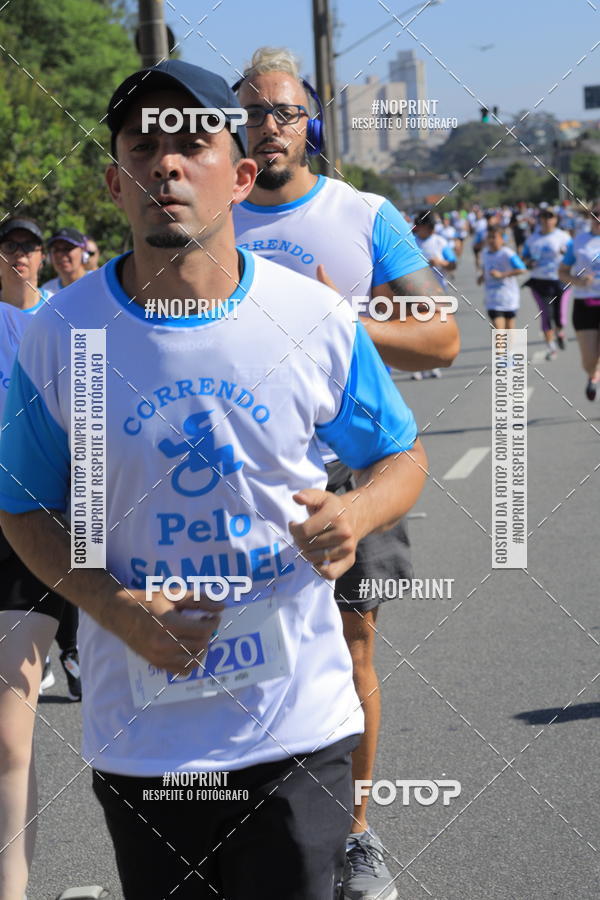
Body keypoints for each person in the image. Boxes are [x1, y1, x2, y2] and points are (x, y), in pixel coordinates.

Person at [0, 60, 428, 900]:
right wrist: (118, 610)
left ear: (238, 176)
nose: (165, 162)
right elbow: (21, 508)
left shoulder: (312, 317)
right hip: (141, 737)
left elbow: (401, 457)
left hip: (299, 729)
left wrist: (355, 510)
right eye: (142, 145)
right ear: (114, 181)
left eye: (192, 143)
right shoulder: (59, 334)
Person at [233, 47, 458, 900]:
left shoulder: (363, 214)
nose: (270, 127)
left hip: (352, 465)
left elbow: (439, 336)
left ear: (311, 123)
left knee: (353, 643)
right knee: (245, 647)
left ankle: (357, 835)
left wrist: (343, 316)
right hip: (242, 471)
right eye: (254, 113)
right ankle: (255, 816)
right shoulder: (213, 213)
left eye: (285, 113)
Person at [0, 218, 83, 900]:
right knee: (8, 726)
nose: (28, 258)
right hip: (8, 528)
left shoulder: (69, 319)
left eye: (37, 248)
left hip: (66, 525)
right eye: (18, 247)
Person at [559, 205, 600, 400]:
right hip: (586, 303)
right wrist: (578, 281)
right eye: (596, 215)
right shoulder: (578, 242)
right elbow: (562, 272)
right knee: (589, 360)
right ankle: (593, 375)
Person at [411, 209, 457, 380]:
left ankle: (433, 364)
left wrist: (441, 262)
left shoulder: (440, 242)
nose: (430, 230)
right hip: (415, 292)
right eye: (426, 227)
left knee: (435, 331)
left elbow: (453, 265)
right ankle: (417, 365)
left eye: (431, 227)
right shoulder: (410, 243)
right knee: (416, 330)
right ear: (419, 227)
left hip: (438, 292)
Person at [522, 208, 572, 359]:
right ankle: (551, 348)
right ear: (540, 219)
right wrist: (530, 261)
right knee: (545, 315)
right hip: (540, 282)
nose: (547, 220)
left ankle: (560, 332)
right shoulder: (532, 239)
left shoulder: (563, 237)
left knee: (560, 316)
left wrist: (566, 255)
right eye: (543, 217)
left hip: (561, 281)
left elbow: (574, 256)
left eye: (550, 217)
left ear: (555, 219)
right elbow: (523, 258)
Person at [477, 225, 526, 329]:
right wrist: (482, 276)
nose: (490, 240)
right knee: (498, 332)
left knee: (509, 331)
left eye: (494, 237)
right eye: (489, 237)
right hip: (492, 300)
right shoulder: (485, 253)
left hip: (509, 298)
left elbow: (522, 269)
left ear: (502, 239)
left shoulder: (508, 253)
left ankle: (511, 346)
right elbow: (486, 267)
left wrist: (502, 275)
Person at [40, 226, 89, 295]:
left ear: (83, 251)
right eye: (56, 250)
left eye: (68, 248)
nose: (60, 254)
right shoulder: (46, 291)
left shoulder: (98, 281)